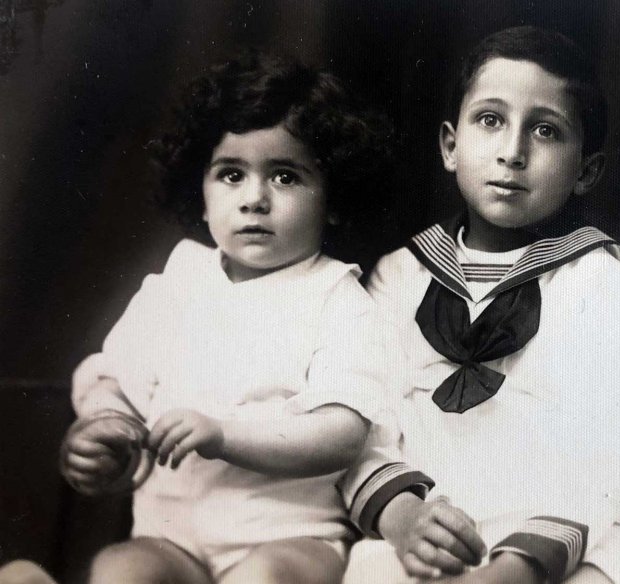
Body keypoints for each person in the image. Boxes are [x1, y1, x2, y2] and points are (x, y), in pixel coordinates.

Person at [61, 53, 394, 584]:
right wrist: (105, 426)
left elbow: (342, 433)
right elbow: (110, 377)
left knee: (264, 579)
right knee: (119, 570)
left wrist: (223, 436)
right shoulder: (179, 281)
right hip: (171, 537)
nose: (254, 199)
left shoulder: (338, 297)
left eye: (285, 177)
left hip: (290, 538)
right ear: (202, 187)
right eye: (231, 175)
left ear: (332, 199)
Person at [338, 26, 620, 584]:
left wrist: (518, 566)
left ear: (587, 171)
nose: (512, 152)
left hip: (556, 545)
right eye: (491, 120)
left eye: (546, 131)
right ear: (451, 145)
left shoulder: (597, 279)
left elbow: (610, 455)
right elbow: (362, 424)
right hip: (425, 535)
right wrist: (404, 519)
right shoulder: (398, 276)